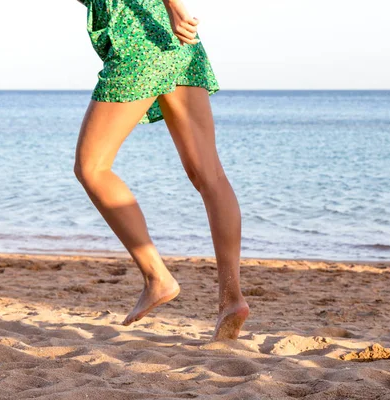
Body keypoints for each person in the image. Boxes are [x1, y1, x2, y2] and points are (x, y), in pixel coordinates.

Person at [73, 0, 249, 341]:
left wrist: (172, 4)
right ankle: (231, 299)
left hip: (139, 40)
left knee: (92, 167)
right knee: (209, 176)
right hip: (178, 42)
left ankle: (157, 277)